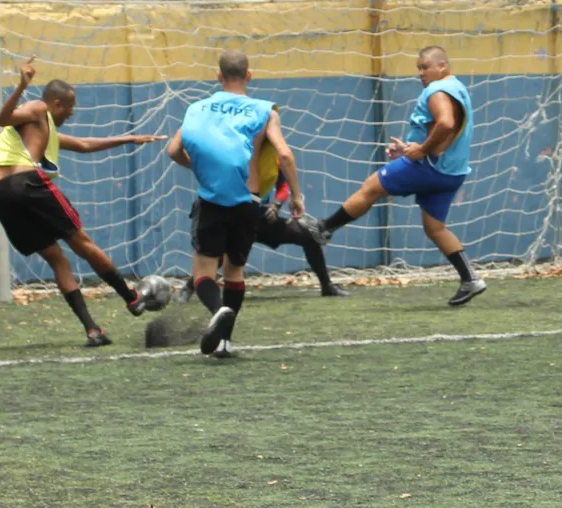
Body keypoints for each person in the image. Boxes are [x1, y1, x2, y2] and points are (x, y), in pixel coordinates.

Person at [0, 56, 167, 347]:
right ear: (56, 103)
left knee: (57, 259)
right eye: (70, 107)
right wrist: (22, 85)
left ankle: (92, 330)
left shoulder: (45, 131)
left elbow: (84, 145)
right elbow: (2, 119)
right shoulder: (38, 108)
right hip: (25, 183)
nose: (71, 113)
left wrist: (129, 138)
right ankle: (131, 298)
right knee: (81, 241)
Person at [304, 46, 487, 306]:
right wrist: (408, 148)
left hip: (429, 167)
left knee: (370, 188)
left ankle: (324, 228)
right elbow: (445, 129)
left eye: (425, 67)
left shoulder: (436, 91)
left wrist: (420, 151)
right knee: (435, 228)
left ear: (442, 66)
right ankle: (470, 278)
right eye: (419, 68)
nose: (420, 73)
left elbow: (445, 123)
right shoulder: (458, 87)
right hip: (452, 172)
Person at [166, 49, 305, 356]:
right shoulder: (265, 110)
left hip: (212, 200)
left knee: (203, 273)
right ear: (249, 76)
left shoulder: (198, 108)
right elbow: (284, 155)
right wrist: (295, 196)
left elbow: (173, 150)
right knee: (235, 270)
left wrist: (198, 168)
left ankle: (217, 310)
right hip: (249, 201)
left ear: (218, 76)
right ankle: (226, 342)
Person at [175, 161, 349, 308]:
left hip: (263, 219)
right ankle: (190, 287)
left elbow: (282, 187)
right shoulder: (237, 156)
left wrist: (276, 205)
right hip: (238, 218)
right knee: (219, 256)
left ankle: (327, 286)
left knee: (308, 235)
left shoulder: (274, 157)